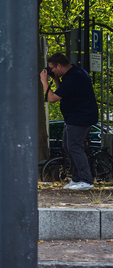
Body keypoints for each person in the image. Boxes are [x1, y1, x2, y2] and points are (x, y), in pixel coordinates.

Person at [40, 52, 99, 190]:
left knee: (74, 146)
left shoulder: (74, 77)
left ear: (59, 65)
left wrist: (44, 82)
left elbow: (53, 98)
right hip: (74, 116)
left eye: (51, 68)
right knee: (67, 146)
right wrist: (55, 80)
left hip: (80, 117)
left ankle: (86, 180)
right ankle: (77, 179)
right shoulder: (73, 73)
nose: (50, 71)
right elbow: (62, 92)